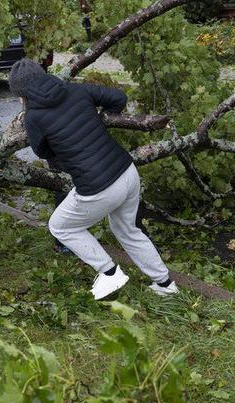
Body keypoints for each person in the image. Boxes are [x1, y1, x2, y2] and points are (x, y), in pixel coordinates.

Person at [9, 58, 178, 300]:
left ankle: (109, 272)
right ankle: (165, 284)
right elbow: (119, 98)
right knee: (128, 230)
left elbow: (42, 151)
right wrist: (98, 119)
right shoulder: (75, 89)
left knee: (60, 226)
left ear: (22, 94)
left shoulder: (33, 116)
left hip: (98, 188)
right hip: (126, 172)